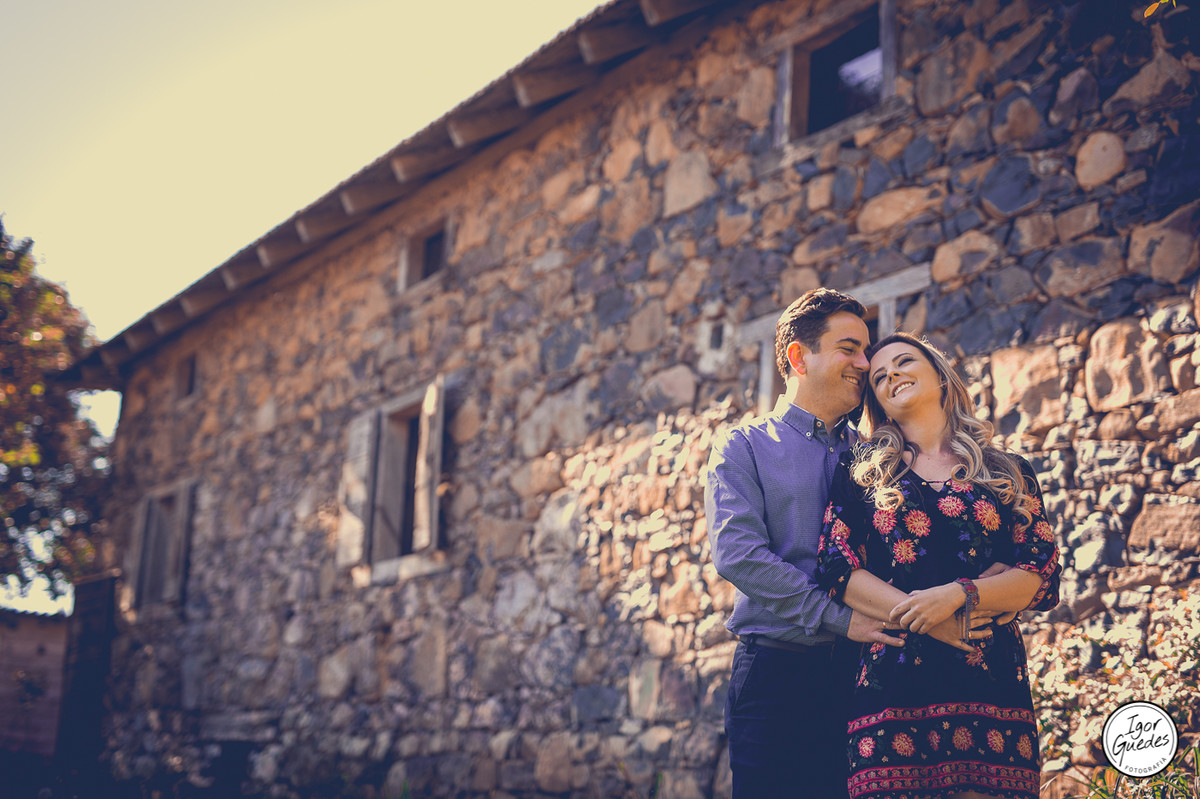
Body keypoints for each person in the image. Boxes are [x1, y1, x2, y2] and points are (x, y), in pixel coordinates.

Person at [705, 291, 994, 799]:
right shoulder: (743, 446)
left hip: (870, 675)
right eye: (849, 349)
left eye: (867, 351)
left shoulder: (877, 458)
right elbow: (739, 556)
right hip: (778, 675)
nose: (865, 363)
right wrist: (841, 619)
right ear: (799, 357)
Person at [816, 331, 1061, 799]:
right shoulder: (862, 471)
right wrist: (926, 618)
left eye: (904, 362)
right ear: (879, 403)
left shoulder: (1007, 470)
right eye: (880, 377)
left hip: (989, 679)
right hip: (894, 683)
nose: (892, 376)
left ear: (942, 378)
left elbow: (1039, 572)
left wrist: (958, 595)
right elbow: (836, 567)